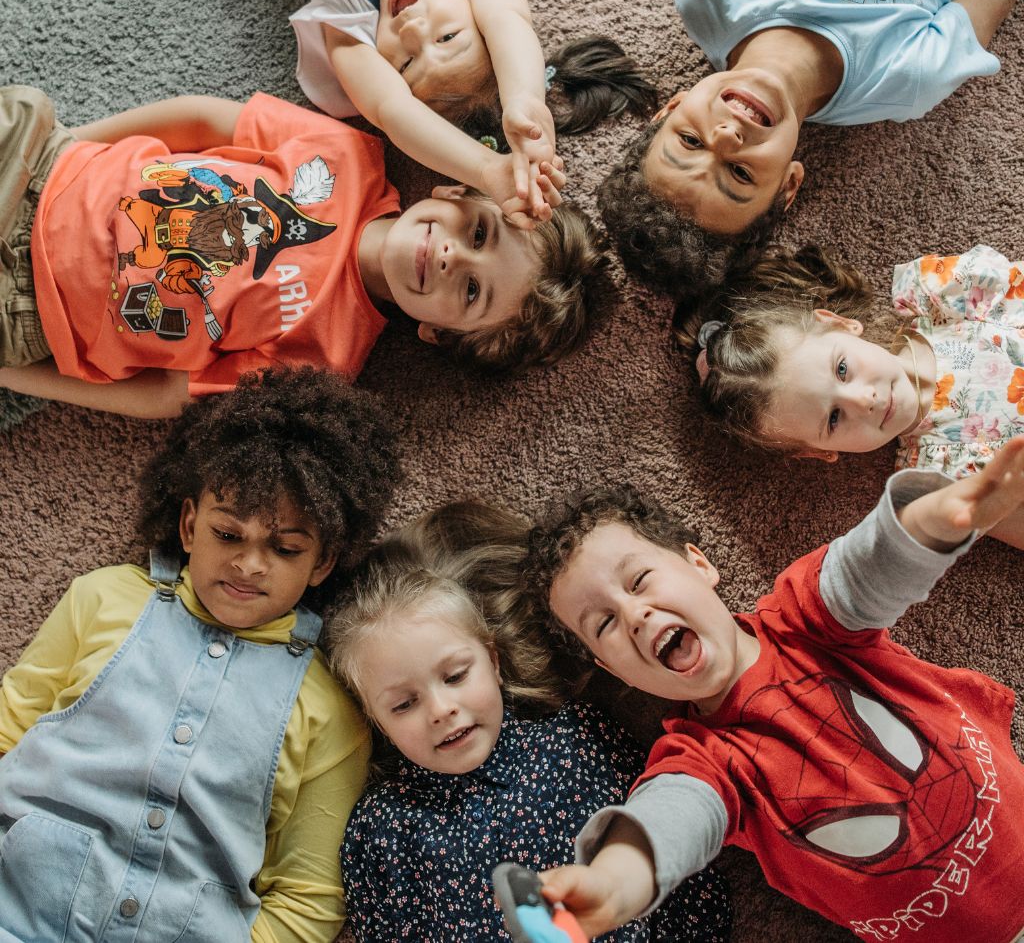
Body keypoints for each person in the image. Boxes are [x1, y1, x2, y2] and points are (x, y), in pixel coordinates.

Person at [519, 447, 1024, 942]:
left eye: (640, 580)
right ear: (613, 669)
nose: (635, 615)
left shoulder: (806, 617)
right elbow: (670, 819)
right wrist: (612, 886)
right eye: (604, 622)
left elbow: (868, 568)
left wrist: (936, 521)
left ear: (699, 564)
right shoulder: (698, 761)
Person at [0, 364, 401, 942]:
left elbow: (310, 901)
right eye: (228, 534)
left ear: (323, 562)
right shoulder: (104, 598)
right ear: (190, 525)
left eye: (285, 548)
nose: (249, 564)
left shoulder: (329, 706)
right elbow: (10, 725)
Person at [0, 85, 610, 420]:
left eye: (473, 293)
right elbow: (203, 120)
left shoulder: (327, 363)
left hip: (27, 311)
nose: (455, 259)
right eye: (478, 233)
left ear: (438, 334)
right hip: (46, 169)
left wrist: (14, 376)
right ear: (453, 190)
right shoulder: (350, 155)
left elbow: (167, 394)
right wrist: (65, 148)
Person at [598, 0, 1024, 296]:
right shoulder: (904, 79)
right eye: (740, 173)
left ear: (669, 107)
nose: (727, 136)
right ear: (789, 184)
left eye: (690, 141)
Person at [326, 501, 732, 942]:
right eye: (404, 705)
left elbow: (677, 868)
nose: (441, 710)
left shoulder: (579, 739)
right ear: (375, 720)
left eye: (456, 676)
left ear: (494, 662)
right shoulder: (380, 829)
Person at [220, 0, 657, 220]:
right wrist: (526, 101)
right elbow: (508, 17)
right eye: (448, 37)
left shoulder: (351, 12)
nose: (412, 30)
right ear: (475, 14)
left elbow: (393, 111)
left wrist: (487, 170)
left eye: (406, 64)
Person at [677, 242, 1024, 548]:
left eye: (842, 369)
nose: (863, 401)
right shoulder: (936, 483)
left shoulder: (946, 300)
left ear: (839, 323)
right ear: (819, 452)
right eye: (833, 418)